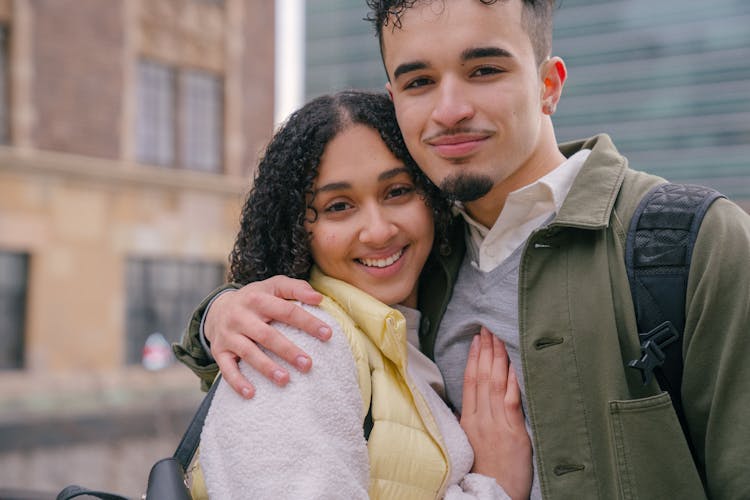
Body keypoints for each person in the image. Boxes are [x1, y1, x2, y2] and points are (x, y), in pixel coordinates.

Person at [174, 1, 750, 498]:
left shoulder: (693, 245)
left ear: (549, 84)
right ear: (394, 98)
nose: (449, 109)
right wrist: (220, 314)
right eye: (420, 81)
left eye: (484, 69)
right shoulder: (414, 257)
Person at [194, 90, 532, 499]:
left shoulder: (398, 338)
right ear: (297, 228)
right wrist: (497, 487)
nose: (378, 230)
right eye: (338, 206)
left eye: (397, 192)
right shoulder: (302, 341)